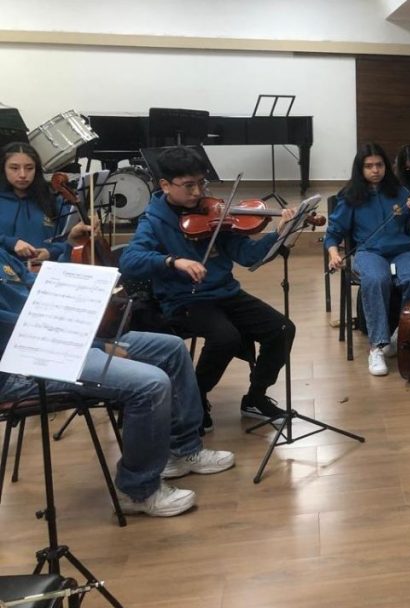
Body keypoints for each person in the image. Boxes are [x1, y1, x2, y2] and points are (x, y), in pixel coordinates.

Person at [0, 246, 234, 517]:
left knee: (171, 349)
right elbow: (15, 328)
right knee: (151, 384)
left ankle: (183, 450)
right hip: (24, 366)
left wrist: (84, 287)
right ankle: (136, 490)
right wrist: (97, 343)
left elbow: (36, 286)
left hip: (61, 342)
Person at [119, 146, 297, 431]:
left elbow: (248, 255)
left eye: (201, 183)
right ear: (165, 185)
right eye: (188, 185)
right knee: (226, 337)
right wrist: (172, 261)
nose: (197, 192)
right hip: (183, 299)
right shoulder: (153, 221)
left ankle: (255, 396)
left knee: (283, 328)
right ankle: (194, 397)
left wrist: (280, 233)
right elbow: (129, 261)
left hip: (225, 292)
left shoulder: (215, 213)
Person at [325, 143, 410, 376]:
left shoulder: (401, 192)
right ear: (360, 169)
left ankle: (401, 334)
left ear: (386, 166)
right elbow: (332, 233)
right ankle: (377, 346)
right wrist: (334, 254)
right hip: (369, 252)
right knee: (376, 279)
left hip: (402, 250)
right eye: (369, 166)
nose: (375, 170)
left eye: (379, 165)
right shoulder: (351, 196)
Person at [0, 142, 87, 264]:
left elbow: (69, 241)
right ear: (3, 168)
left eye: (29, 168)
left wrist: (50, 252)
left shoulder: (53, 200)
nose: (23, 174)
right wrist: (11, 242)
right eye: (14, 168)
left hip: (46, 271)